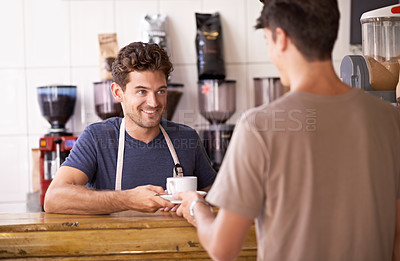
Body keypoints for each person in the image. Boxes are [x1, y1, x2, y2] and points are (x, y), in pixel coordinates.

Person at [175, 0, 400, 260]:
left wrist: (195, 206)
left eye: (267, 41)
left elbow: (222, 248)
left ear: (280, 38)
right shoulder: (389, 120)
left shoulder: (258, 126)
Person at [44, 42, 216, 215]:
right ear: (118, 93)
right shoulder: (97, 138)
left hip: (177, 242)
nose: (154, 103)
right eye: (142, 91)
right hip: (114, 242)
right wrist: (128, 199)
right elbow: (54, 199)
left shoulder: (187, 138)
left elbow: (218, 198)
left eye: (160, 91)